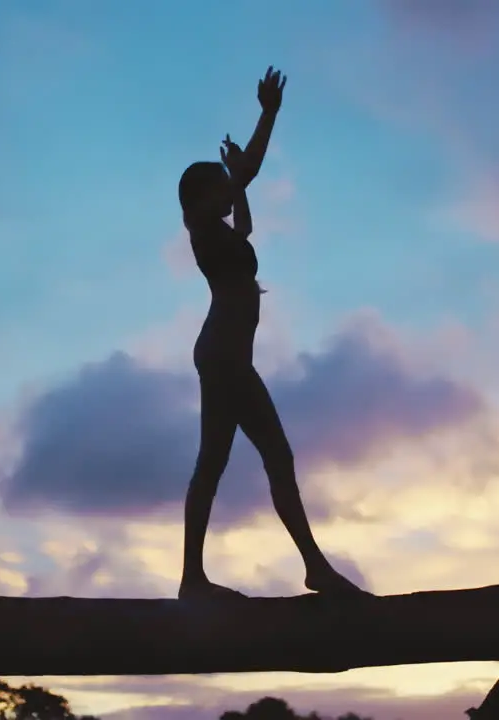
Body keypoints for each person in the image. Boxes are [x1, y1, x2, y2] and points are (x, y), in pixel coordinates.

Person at [176, 67, 366, 600]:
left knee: (217, 462)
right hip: (225, 358)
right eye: (223, 184)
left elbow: (246, 227)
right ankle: (311, 568)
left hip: (224, 357)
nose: (230, 187)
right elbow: (251, 172)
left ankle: (197, 578)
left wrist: (239, 187)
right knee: (269, 457)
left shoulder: (222, 233)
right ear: (200, 198)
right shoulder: (198, 226)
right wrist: (268, 114)